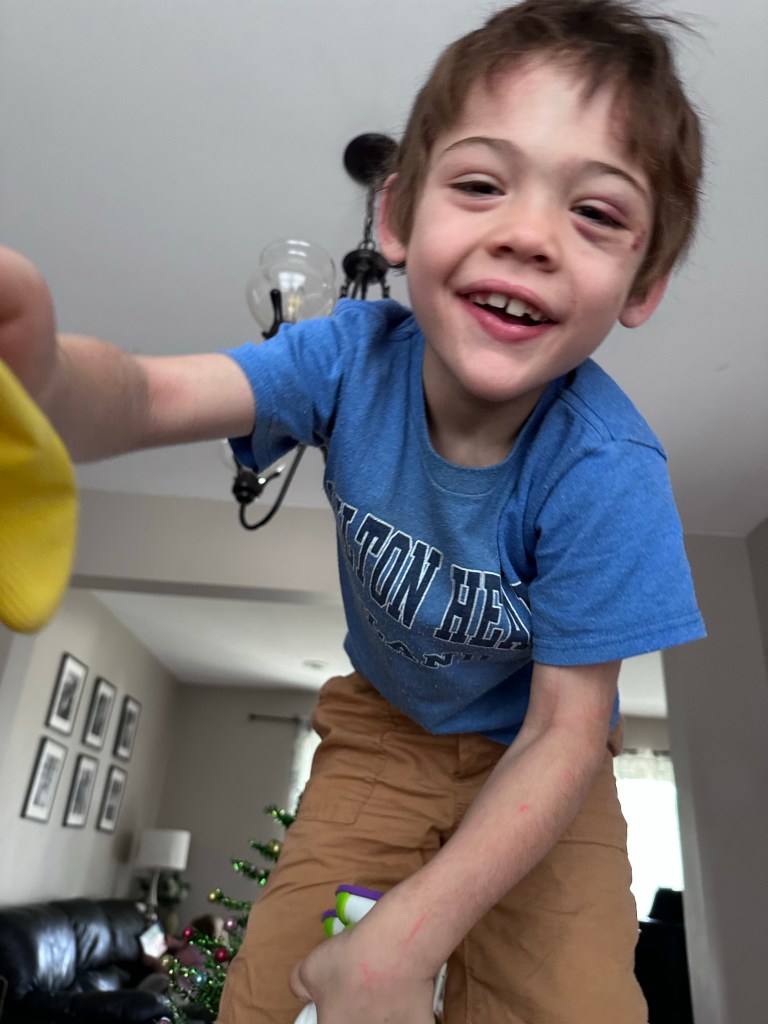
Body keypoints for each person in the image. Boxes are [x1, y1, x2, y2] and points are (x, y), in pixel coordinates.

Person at [0, 1, 706, 1021]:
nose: (529, 236)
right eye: (481, 184)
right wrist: (46, 380)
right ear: (396, 219)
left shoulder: (610, 471)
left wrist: (409, 938)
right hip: (383, 732)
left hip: (546, 762)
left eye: (596, 213)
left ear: (643, 282)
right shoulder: (344, 358)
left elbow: (566, 728)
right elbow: (151, 395)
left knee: (571, 1001)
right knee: (271, 988)